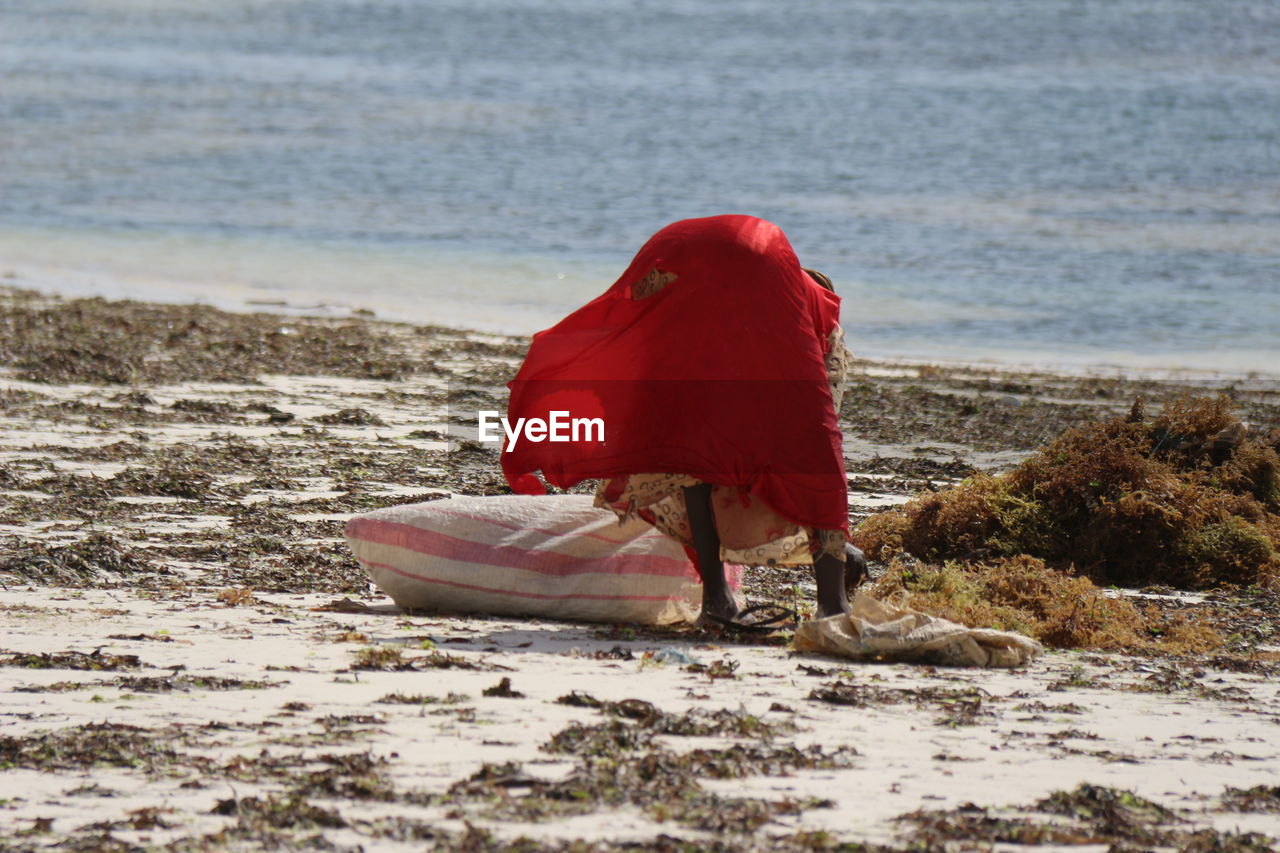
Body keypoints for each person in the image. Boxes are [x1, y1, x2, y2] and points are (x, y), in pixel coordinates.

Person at [501, 215, 859, 626]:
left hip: (677, 256)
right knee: (815, 460)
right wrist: (834, 543)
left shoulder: (735, 306)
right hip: (725, 258)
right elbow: (818, 436)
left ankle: (717, 599)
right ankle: (832, 607)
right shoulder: (820, 316)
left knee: (692, 451)